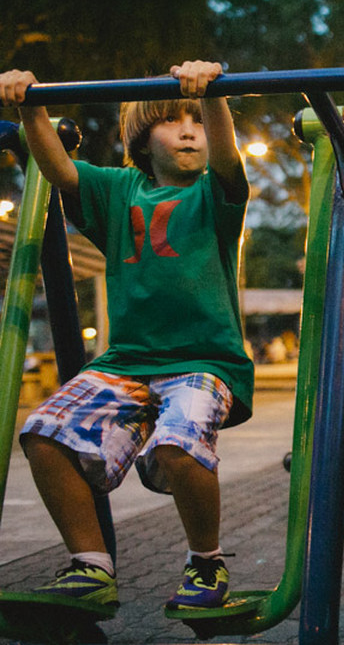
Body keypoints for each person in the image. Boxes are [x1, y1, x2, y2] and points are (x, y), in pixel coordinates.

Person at [0, 61, 255, 611]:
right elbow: (60, 171)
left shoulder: (217, 196)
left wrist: (212, 96)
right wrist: (30, 109)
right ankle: (91, 566)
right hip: (127, 362)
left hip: (205, 362)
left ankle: (206, 565)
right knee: (42, 434)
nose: (190, 131)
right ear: (142, 139)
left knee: (178, 443)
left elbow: (230, 158)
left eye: (198, 122)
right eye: (173, 121)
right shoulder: (118, 191)